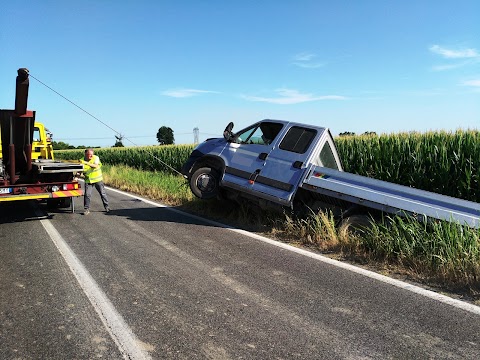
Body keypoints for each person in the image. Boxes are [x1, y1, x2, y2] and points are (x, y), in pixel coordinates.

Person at [80, 149, 110, 215]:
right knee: (87, 194)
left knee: (102, 193)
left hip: (98, 180)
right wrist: (76, 178)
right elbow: (80, 170)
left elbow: (95, 166)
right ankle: (86, 209)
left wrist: (86, 163)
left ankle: (107, 207)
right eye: (89, 154)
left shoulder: (96, 158)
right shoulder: (81, 160)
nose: (91, 156)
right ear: (85, 154)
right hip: (89, 180)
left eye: (92, 154)